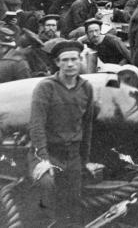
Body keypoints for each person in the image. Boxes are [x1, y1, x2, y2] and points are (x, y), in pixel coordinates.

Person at [28, 40, 94, 226]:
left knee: (73, 206)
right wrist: (43, 159)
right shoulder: (46, 87)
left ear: (80, 61)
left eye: (74, 59)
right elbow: (36, 125)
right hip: (48, 153)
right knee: (46, 187)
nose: (70, 64)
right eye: (65, 60)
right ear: (57, 63)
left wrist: (85, 161)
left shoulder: (86, 88)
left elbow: (87, 126)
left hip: (72, 156)